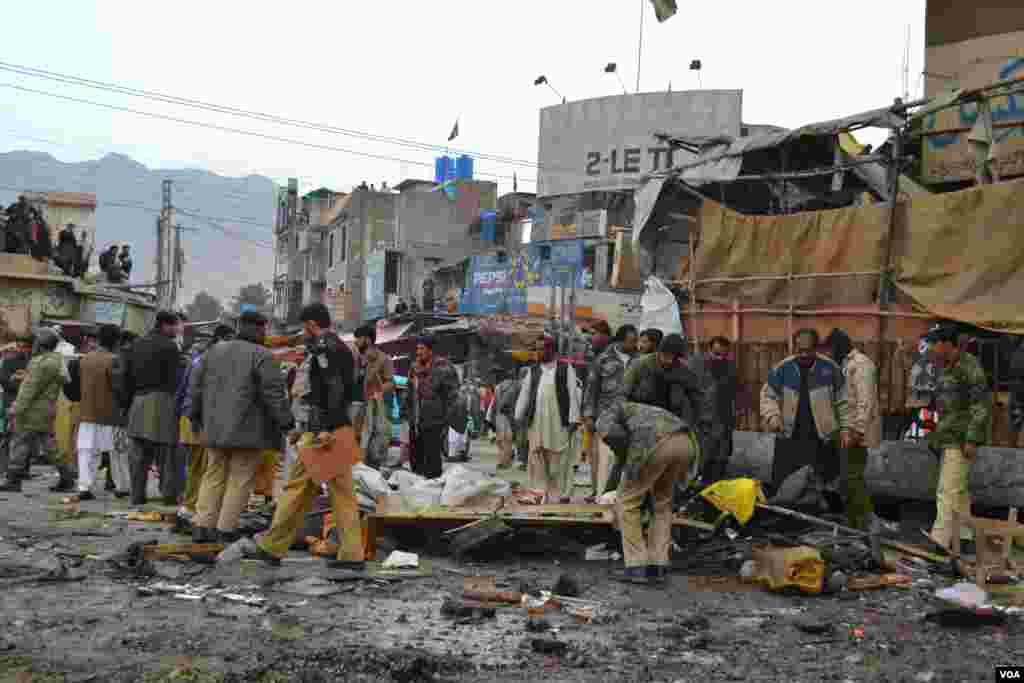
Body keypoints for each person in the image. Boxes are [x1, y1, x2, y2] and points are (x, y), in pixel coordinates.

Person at [246, 302, 362, 569]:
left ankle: (272, 546)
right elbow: (346, 393)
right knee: (340, 494)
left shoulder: (325, 349)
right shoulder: (343, 348)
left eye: (304, 328)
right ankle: (352, 553)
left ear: (311, 324)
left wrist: (323, 428)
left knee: (296, 490)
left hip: (323, 433)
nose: (303, 333)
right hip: (335, 430)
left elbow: (332, 390)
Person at [189, 312, 292, 543]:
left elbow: (195, 387)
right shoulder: (263, 356)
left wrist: (195, 416)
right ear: (258, 329)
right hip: (249, 431)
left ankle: (201, 525)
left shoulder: (213, 352)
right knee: (240, 478)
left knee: (213, 474)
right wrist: (286, 422)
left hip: (214, 428)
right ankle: (225, 529)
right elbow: (273, 395)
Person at [598, 400, 698, 585]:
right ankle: (658, 564)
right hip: (686, 443)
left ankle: (636, 566)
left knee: (627, 502)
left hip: (656, 443)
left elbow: (615, 438)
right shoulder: (642, 410)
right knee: (662, 503)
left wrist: (624, 477)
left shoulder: (607, 414)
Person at [924, 323, 991, 551]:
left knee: (947, 490)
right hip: (948, 436)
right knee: (959, 491)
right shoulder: (945, 367)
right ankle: (963, 539)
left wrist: (972, 439)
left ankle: (939, 542)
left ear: (946, 344)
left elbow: (981, 405)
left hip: (961, 439)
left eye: (934, 343)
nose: (931, 348)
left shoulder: (970, 366)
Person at [760, 328, 849, 493]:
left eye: (808, 351)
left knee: (825, 485)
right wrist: (773, 416)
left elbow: (843, 402)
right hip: (789, 437)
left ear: (816, 349)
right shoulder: (782, 369)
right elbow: (768, 396)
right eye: (799, 351)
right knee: (783, 483)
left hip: (822, 438)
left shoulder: (831, 369)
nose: (803, 355)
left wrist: (845, 429)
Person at [119, 311, 182, 505]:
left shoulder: (136, 345)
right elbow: (176, 380)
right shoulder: (170, 347)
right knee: (167, 454)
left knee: (138, 455)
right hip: (163, 402)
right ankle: (169, 495)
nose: (177, 330)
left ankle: (137, 496)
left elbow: (125, 379)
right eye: (175, 326)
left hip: (137, 402)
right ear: (165, 325)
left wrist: (126, 406)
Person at [823, 328, 881, 530]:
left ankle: (868, 521)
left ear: (838, 347)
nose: (827, 355)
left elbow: (866, 401)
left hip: (857, 431)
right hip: (844, 430)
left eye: (829, 350)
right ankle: (853, 523)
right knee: (846, 480)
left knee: (852, 477)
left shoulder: (862, 365)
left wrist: (858, 430)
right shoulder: (843, 364)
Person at [515, 335, 581, 503]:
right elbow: (525, 393)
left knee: (559, 460)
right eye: (536, 349)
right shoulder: (533, 370)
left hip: (559, 421)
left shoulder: (566, 369)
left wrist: (574, 419)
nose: (538, 352)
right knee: (536, 456)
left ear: (552, 350)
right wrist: (518, 416)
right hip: (536, 420)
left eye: (541, 348)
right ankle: (539, 492)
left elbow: (572, 394)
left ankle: (559, 495)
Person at [0, 330, 66, 492]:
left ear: (41, 345)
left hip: (31, 412)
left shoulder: (39, 363)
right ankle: (67, 476)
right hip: (47, 409)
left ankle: (13, 480)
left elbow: (28, 390)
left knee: (19, 444)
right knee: (50, 446)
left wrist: (15, 409)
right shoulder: (57, 361)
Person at [179, 324, 234, 516]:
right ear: (220, 339)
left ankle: (195, 505)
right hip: (198, 420)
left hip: (195, 419)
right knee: (200, 467)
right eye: (229, 339)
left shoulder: (199, 360)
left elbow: (183, 391)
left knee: (202, 466)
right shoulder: (207, 361)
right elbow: (192, 393)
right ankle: (191, 505)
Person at [583, 324, 638, 495]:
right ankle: (602, 496)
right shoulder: (603, 359)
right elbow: (591, 389)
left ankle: (621, 498)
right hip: (606, 418)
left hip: (632, 418)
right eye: (631, 341)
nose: (635, 344)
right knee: (605, 461)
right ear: (621, 341)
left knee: (627, 461)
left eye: (636, 340)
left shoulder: (639, 360)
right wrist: (589, 416)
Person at [73, 324, 122, 500]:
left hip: (86, 412)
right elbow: (118, 387)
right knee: (116, 452)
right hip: (110, 413)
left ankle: (84, 486)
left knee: (86, 451)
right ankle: (121, 486)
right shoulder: (114, 360)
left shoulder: (85, 359)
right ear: (116, 341)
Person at [403, 335, 460, 478]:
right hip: (415, 419)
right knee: (415, 457)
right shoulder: (414, 367)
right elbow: (408, 390)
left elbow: (453, 395)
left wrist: (447, 418)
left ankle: (432, 486)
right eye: (417, 349)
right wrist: (405, 411)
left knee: (432, 457)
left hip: (434, 420)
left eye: (421, 348)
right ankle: (419, 486)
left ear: (430, 350)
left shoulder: (444, 367)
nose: (418, 352)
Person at [353, 324, 394, 469]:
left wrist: (379, 391)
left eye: (358, 339)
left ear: (368, 340)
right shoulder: (356, 358)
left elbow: (391, 382)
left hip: (375, 410)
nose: (355, 342)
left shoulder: (383, 359)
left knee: (373, 449)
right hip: (357, 410)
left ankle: (373, 475)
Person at [703, 336, 738, 484]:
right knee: (705, 457)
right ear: (709, 350)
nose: (720, 358)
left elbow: (736, 391)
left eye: (724, 355)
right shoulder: (698, 366)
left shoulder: (731, 367)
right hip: (705, 420)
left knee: (722, 457)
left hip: (724, 418)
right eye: (716, 354)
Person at [0, 335, 33, 476]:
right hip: (11, 401)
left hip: (27, 404)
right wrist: (22, 385)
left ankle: (23, 469)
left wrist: (20, 382)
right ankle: (7, 467)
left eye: (24, 347)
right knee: (9, 436)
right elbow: (4, 381)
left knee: (27, 437)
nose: (21, 350)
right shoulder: (8, 362)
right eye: (19, 346)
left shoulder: (32, 363)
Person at [492, 373, 520, 469]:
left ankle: (501, 461)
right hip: (509, 416)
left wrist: (492, 420)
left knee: (501, 441)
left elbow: (494, 405)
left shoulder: (498, 387)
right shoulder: (515, 386)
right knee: (507, 441)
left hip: (499, 416)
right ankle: (506, 462)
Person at [1011, 340, 1024, 449]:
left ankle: (1016, 442)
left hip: (1018, 384)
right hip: (1018, 384)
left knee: (1016, 414)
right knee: (1016, 415)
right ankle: (1015, 443)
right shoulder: (1019, 349)